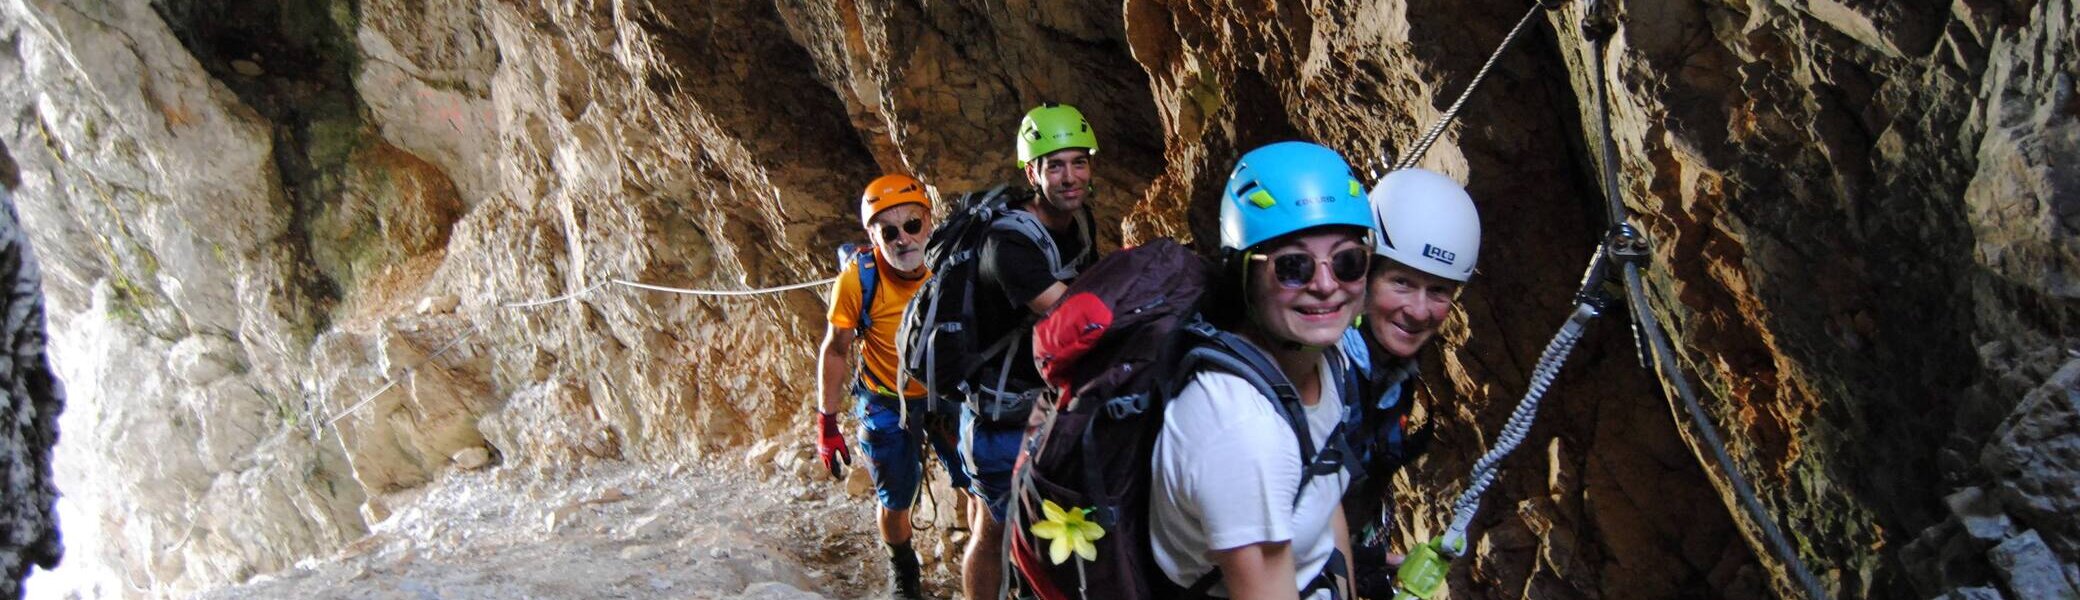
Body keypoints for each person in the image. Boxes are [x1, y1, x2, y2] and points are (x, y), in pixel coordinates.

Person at [1150, 141, 1375, 599]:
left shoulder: (1330, 360)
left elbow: (1322, 492)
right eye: (1293, 267)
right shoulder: (1243, 432)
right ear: (1245, 276)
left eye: (1349, 261)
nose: (1327, 286)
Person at [959, 103, 1101, 599]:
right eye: (1055, 165)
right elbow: (1073, 316)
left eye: (1078, 162)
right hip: (1002, 413)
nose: (1069, 177)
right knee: (994, 530)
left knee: (1042, 525)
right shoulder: (1009, 244)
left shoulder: (1080, 221)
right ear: (1032, 172)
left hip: (1049, 402)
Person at [816, 173, 971, 600]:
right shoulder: (856, 280)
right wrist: (826, 422)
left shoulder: (950, 266)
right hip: (887, 398)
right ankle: (905, 575)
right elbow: (836, 349)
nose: (903, 239)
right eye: (889, 231)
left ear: (929, 219)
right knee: (895, 496)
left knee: (976, 483)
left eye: (912, 225)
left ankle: (986, 563)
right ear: (872, 235)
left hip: (947, 393)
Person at [1336, 168, 1482, 598]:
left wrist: (1382, 565)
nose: (1419, 311)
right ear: (1365, 274)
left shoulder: (1394, 375)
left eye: (1438, 291)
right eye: (1402, 282)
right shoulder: (1320, 370)